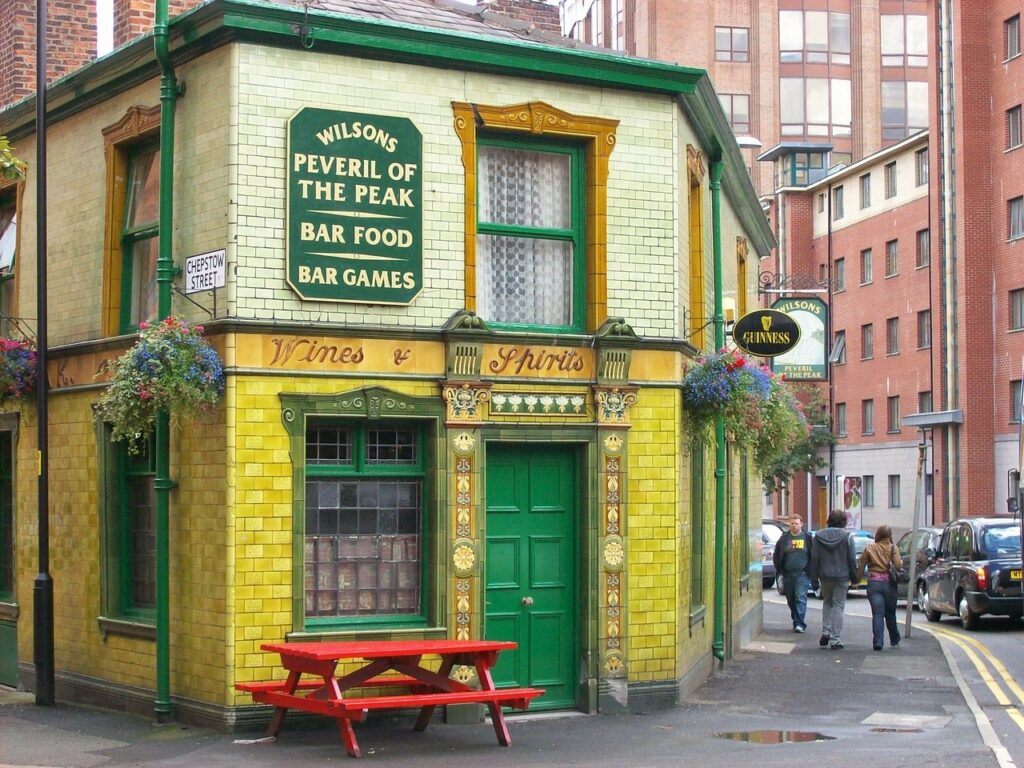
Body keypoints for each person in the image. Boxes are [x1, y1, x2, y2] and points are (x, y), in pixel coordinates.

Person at [810, 509, 859, 649]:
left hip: (825, 576)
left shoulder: (818, 536)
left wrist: (814, 579)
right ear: (844, 521)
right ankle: (835, 639)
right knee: (838, 606)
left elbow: (814, 559)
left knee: (827, 603)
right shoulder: (847, 537)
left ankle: (825, 631)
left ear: (829, 520)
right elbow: (851, 559)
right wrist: (854, 577)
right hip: (842, 576)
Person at [858, 524, 903, 650]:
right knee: (890, 613)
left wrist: (857, 579)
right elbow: (898, 565)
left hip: (874, 584)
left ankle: (878, 641)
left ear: (878, 534)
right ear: (889, 536)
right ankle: (894, 639)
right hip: (889, 584)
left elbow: (861, 565)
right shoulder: (893, 548)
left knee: (877, 614)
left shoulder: (870, 548)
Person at [772, 513, 813, 633]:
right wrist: (779, 568)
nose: (794, 526)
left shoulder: (807, 538)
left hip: (802, 573)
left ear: (801, 524)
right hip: (788, 573)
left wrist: (810, 570)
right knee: (790, 598)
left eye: (796, 523)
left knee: (800, 597)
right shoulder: (784, 538)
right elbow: (777, 554)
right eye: (792, 523)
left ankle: (799, 623)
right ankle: (796, 618)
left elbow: (813, 555)